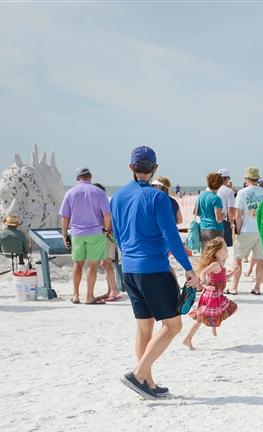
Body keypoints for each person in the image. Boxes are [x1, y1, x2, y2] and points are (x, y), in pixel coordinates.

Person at [110, 146, 197, 399]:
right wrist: (189, 269)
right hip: (154, 269)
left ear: (131, 167)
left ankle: (147, 383)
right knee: (172, 326)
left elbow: (116, 233)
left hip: (129, 269)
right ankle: (138, 375)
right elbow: (171, 236)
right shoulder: (159, 198)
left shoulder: (116, 197)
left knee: (143, 329)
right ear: (155, 168)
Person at [59, 166, 111, 305]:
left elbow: (65, 217)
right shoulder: (99, 192)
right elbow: (107, 214)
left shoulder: (70, 192)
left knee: (78, 263)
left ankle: (75, 295)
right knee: (92, 265)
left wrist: (64, 235)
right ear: (91, 176)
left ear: (78, 178)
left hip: (76, 233)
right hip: (95, 232)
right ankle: (89, 296)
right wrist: (106, 230)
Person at [182, 237, 238, 349]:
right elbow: (202, 273)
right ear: (219, 251)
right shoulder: (215, 264)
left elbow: (224, 278)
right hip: (211, 295)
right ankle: (187, 339)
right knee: (201, 318)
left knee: (230, 307)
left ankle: (214, 324)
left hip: (218, 295)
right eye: (226, 249)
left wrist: (234, 272)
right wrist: (205, 284)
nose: (228, 251)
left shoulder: (221, 264)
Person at [231, 167, 263, 294]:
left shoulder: (242, 193)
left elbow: (238, 214)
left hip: (247, 229)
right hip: (261, 230)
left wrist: (238, 230)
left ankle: (234, 287)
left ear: (247, 179)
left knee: (237, 258)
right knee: (260, 259)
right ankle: (257, 287)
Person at [196, 173, 226, 246]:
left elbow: (195, 212)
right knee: (216, 254)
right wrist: (223, 214)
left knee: (205, 253)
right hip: (215, 228)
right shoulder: (216, 198)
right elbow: (218, 219)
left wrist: (205, 214)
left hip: (203, 228)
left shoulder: (201, 195)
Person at [216, 169, 237, 248]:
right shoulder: (229, 191)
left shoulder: (211, 189)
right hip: (224, 219)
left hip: (212, 219)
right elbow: (230, 210)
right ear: (227, 178)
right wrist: (231, 222)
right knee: (225, 245)